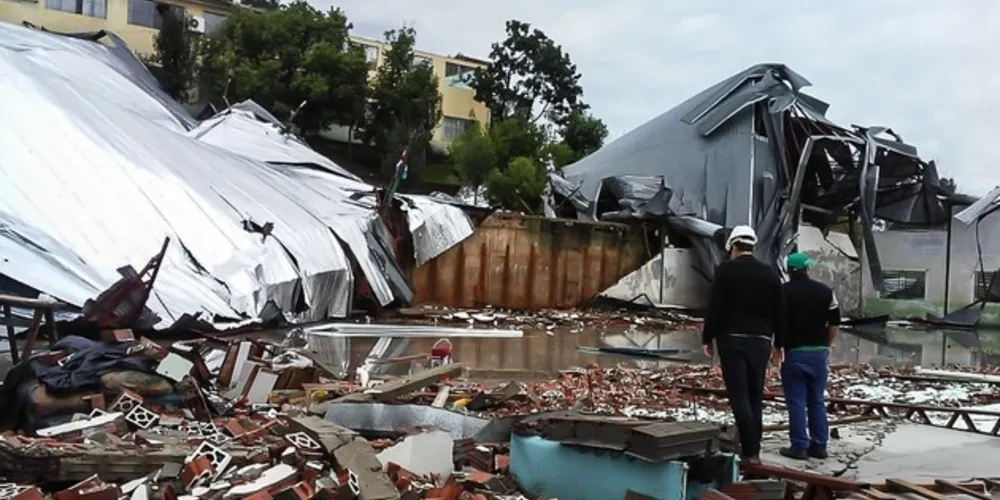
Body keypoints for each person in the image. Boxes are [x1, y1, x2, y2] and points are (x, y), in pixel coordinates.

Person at [702, 225, 787, 464]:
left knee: (739, 394)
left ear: (732, 246)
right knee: (754, 394)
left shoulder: (726, 270)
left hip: (732, 339)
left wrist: (707, 337)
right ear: (753, 245)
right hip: (761, 341)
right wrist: (779, 344)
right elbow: (781, 311)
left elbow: (715, 305)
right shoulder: (770, 273)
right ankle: (753, 450)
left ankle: (749, 450)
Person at [778, 252, 841, 460]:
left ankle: (799, 447)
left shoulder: (782, 292)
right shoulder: (825, 292)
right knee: (816, 401)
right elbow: (834, 322)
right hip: (818, 353)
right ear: (807, 269)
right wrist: (827, 344)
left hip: (794, 352)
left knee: (796, 400)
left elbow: (776, 324)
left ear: (789, 271)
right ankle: (819, 445)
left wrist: (776, 348)